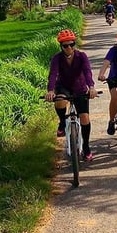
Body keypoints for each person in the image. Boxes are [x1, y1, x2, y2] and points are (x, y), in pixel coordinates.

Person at [45, 29, 99, 162]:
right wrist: (50, 91)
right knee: (60, 101)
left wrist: (91, 87)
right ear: (61, 47)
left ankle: (86, 147)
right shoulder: (57, 58)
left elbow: (87, 72)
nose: (69, 48)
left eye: (71, 44)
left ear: (74, 44)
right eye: (65, 46)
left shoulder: (82, 56)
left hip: (79, 87)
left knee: (84, 118)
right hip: (63, 87)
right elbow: (53, 74)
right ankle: (62, 122)